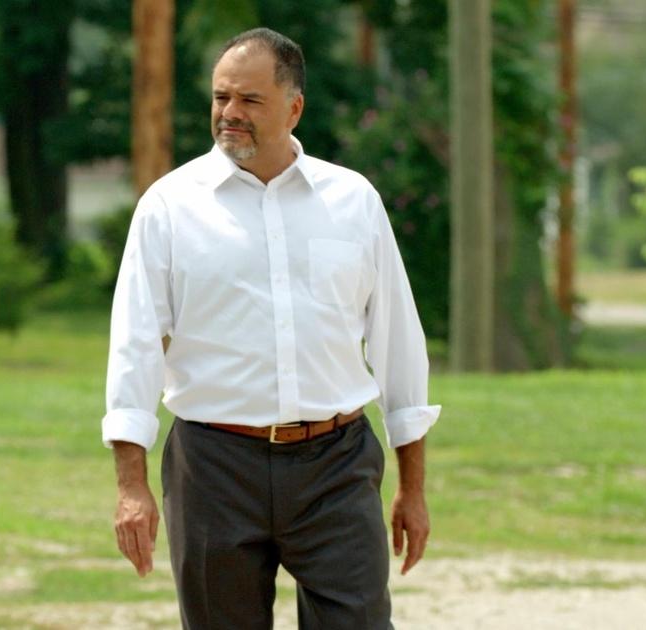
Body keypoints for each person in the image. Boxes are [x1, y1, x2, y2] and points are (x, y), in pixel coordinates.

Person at [102, 27, 441, 629]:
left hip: (337, 466)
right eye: (220, 98)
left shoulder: (354, 201)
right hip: (213, 468)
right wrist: (131, 485)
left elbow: (398, 346)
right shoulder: (169, 207)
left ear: (294, 106)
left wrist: (412, 487)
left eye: (249, 101)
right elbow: (134, 347)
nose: (229, 114)